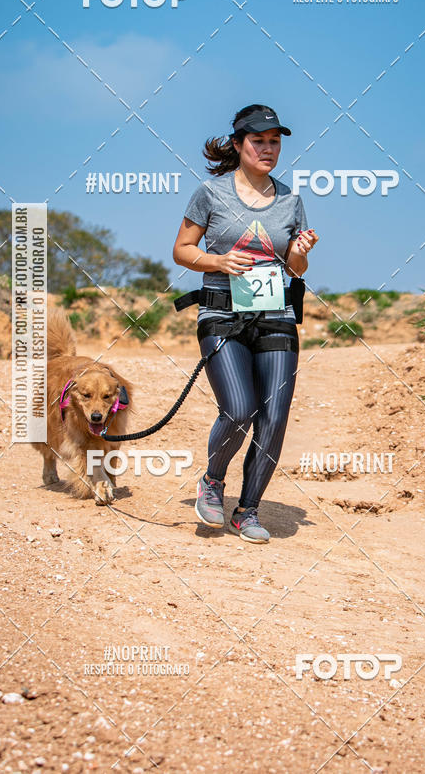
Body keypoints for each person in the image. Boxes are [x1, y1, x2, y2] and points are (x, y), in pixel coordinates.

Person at [172, 104, 318, 543]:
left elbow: (294, 270)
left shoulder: (291, 199)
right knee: (239, 410)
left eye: (275, 141)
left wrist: (301, 251)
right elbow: (181, 249)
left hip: (276, 317)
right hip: (221, 314)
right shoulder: (210, 193)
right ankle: (213, 481)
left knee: (274, 418)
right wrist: (217, 260)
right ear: (237, 145)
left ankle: (247, 510)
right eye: (259, 141)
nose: (268, 149)